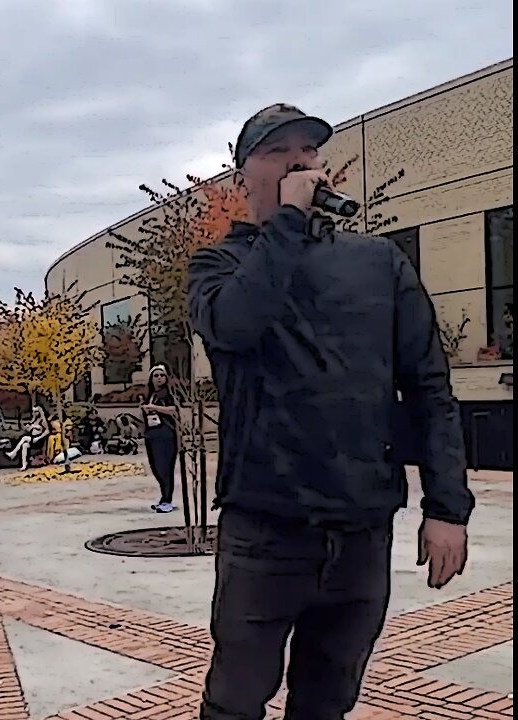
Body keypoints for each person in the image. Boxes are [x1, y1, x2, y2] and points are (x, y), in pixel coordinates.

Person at [188, 104, 473, 719]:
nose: (300, 160)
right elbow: (236, 325)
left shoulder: (378, 264)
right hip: (265, 531)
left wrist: (447, 507)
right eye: (277, 151)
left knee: (327, 703)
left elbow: (429, 387)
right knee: (235, 702)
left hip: (362, 529)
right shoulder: (220, 268)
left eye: (310, 150)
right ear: (242, 177)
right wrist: (287, 221)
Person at [141, 365, 180, 513]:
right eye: (155, 375)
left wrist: (155, 408)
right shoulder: (150, 394)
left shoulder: (169, 394)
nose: (159, 378)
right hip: (152, 434)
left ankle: (167, 500)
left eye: (161, 375)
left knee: (165, 468)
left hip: (166, 434)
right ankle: (163, 498)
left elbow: (174, 410)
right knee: (155, 468)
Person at [5, 406, 49, 471]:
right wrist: (27, 427)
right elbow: (29, 430)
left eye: (36, 411)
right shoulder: (33, 420)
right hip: (32, 438)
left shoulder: (42, 420)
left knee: (24, 438)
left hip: (38, 439)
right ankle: (24, 465)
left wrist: (38, 438)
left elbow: (47, 431)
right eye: (33, 411)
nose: (34, 413)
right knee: (24, 445)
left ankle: (13, 453)